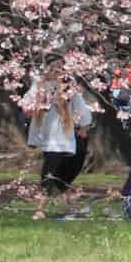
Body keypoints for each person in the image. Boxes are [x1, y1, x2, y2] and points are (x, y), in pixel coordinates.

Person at [27, 63, 93, 219]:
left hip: (62, 135)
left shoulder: (68, 85)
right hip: (48, 134)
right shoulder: (40, 84)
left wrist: (83, 125)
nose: (56, 72)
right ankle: (41, 208)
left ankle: (70, 205)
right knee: (51, 170)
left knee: (62, 169)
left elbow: (80, 106)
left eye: (59, 68)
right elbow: (28, 102)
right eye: (53, 68)